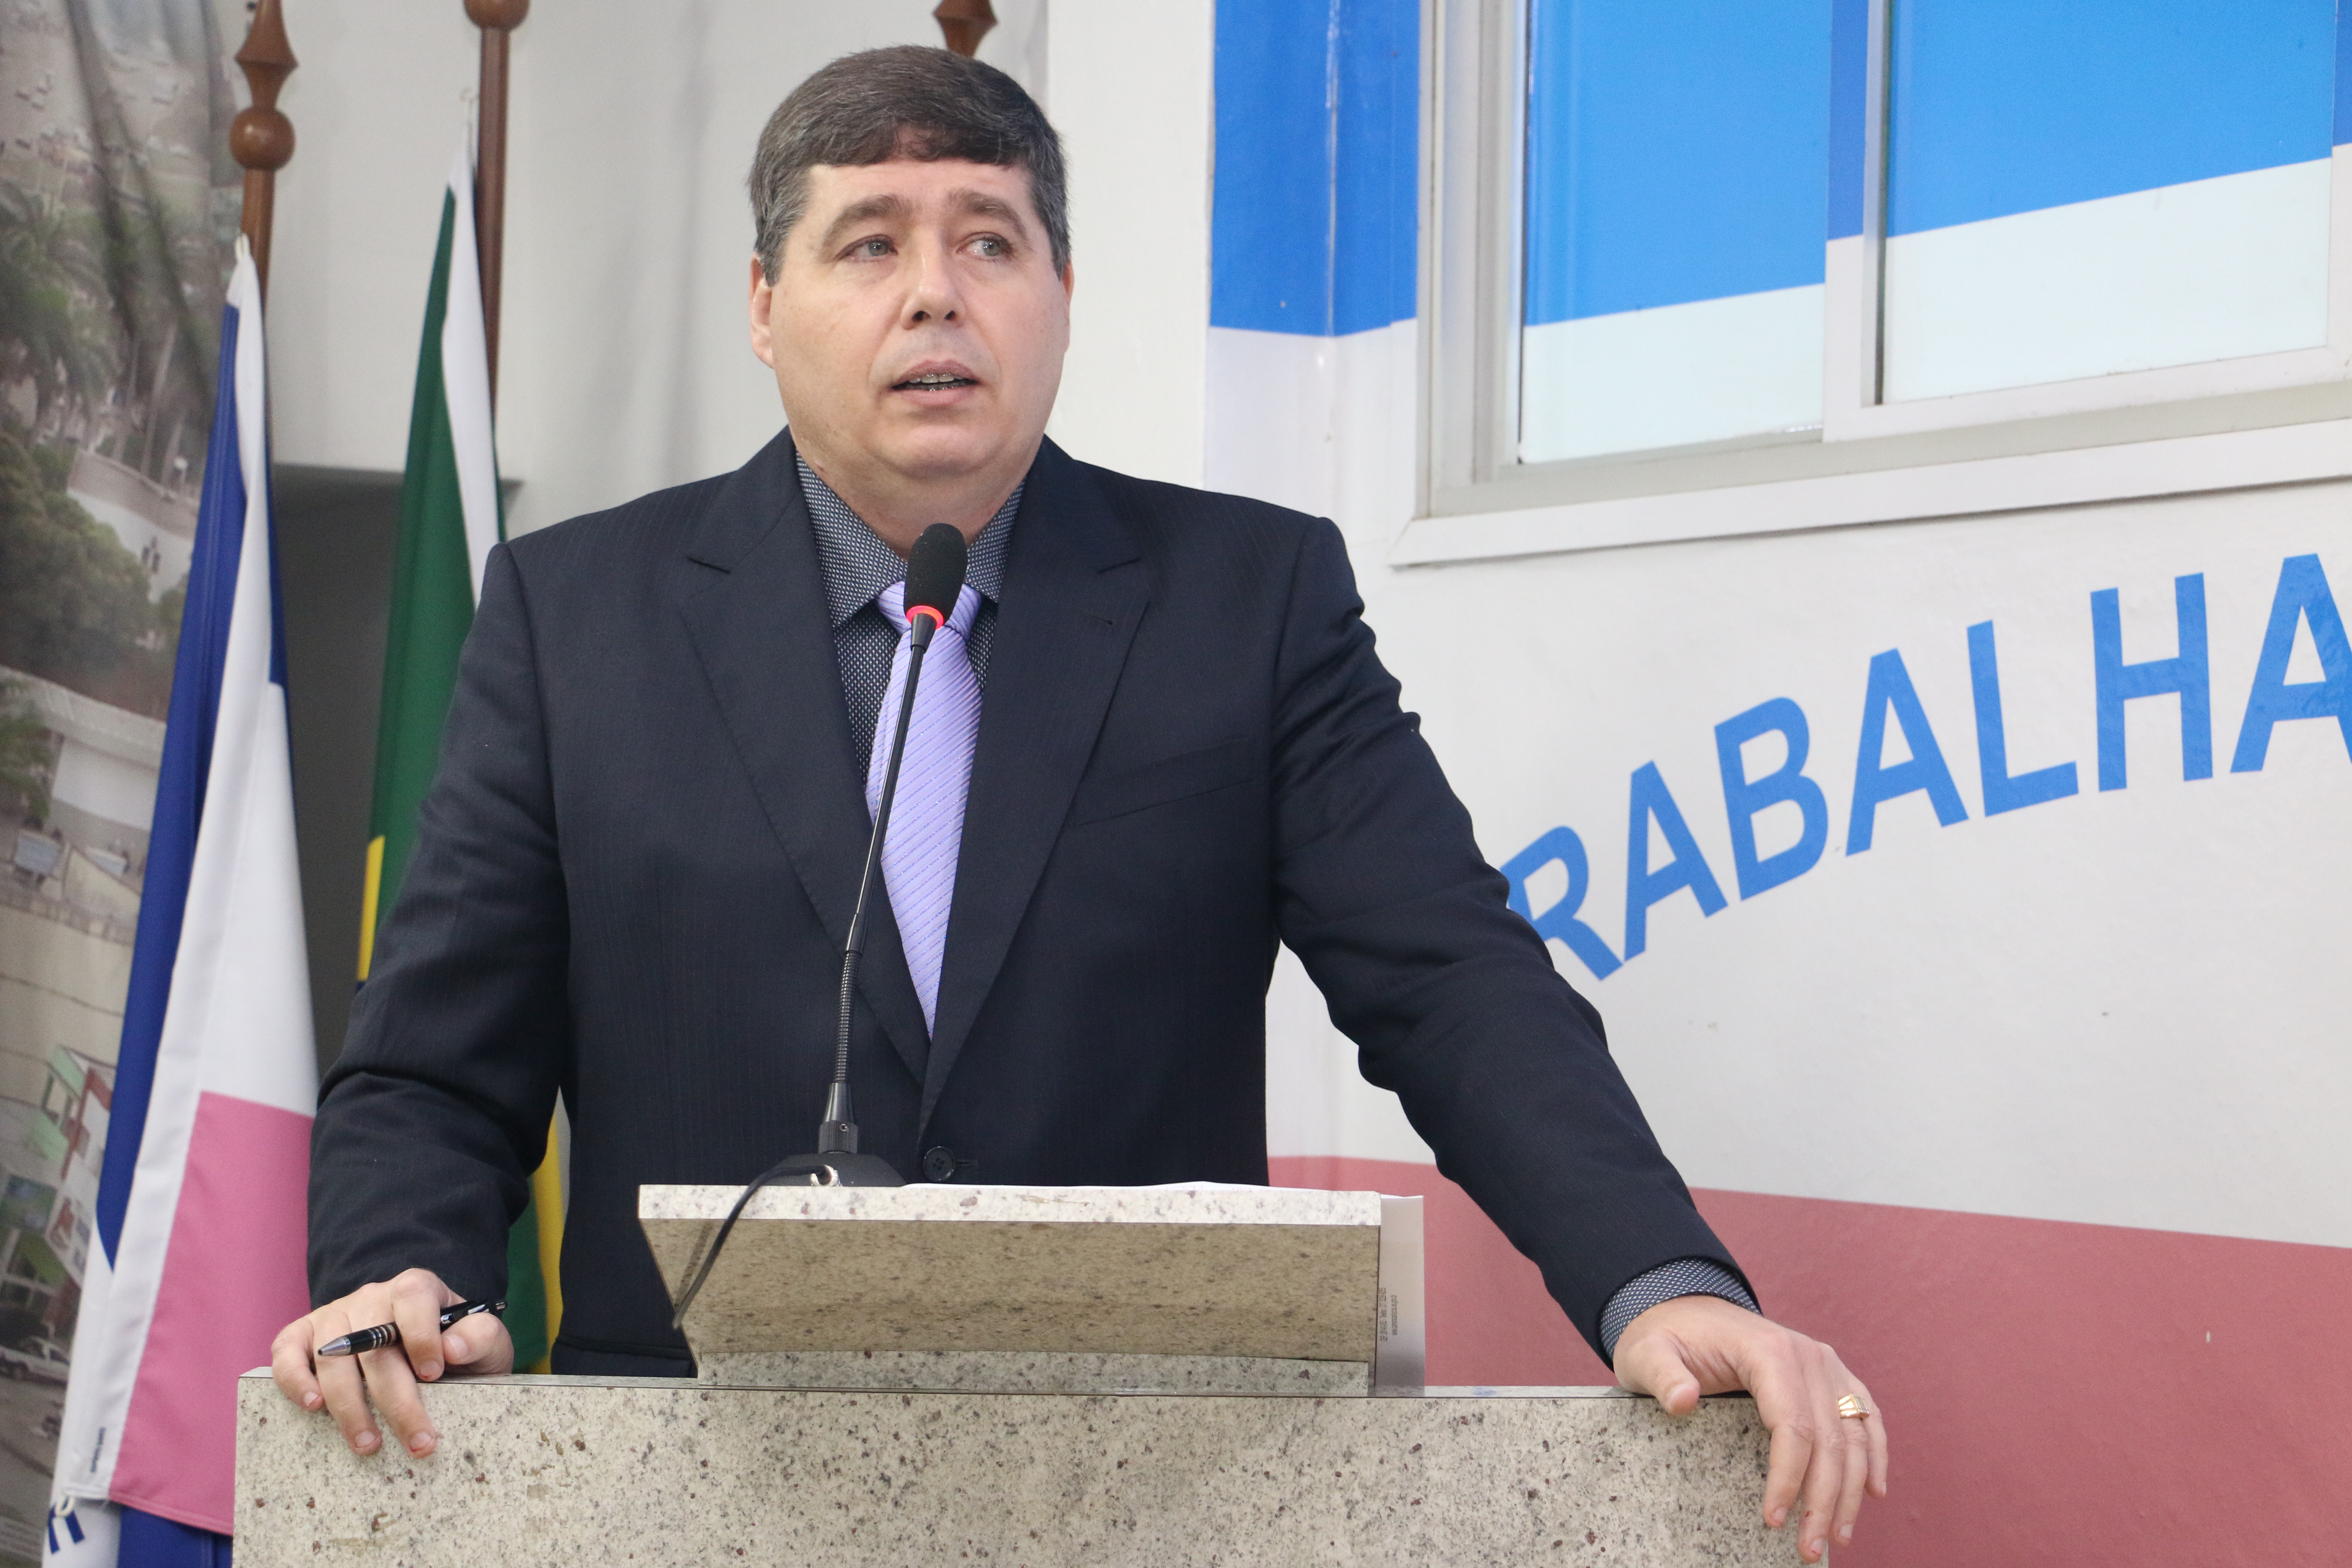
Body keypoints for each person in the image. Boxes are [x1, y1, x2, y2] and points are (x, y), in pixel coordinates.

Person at [273, 45, 1887, 1563]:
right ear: (764, 306)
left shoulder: (1247, 601)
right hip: (692, 1480)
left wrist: (1656, 1282)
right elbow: (437, 1059)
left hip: (1159, 1476)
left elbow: (1454, 981)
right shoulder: (577, 616)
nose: (935, 292)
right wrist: (400, 1276)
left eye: (989, 240)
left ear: (1061, 294)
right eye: (869, 244)